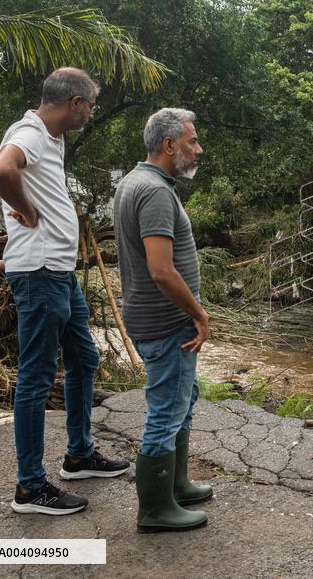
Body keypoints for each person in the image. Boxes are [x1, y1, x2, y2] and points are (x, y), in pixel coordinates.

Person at [0, 68, 129, 516]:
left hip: (59, 272)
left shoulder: (51, 138)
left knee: (85, 358)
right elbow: (1, 169)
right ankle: (29, 488)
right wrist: (24, 209)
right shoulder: (29, 132)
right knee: (34, 377)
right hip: (40, 271)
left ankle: (79, 454)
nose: (91, 112)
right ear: (74, 101)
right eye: (90, 104)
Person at [113, 108, 210, 533]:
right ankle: (155, 508)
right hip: (166, 322)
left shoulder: (138, 182)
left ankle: (176, 485)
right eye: (191, 141)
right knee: (167, 409)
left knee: (181, 399)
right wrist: (199, 314)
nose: (198, 149)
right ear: (169, 145)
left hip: (158, 319)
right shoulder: (152, 191)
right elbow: (161, 270)